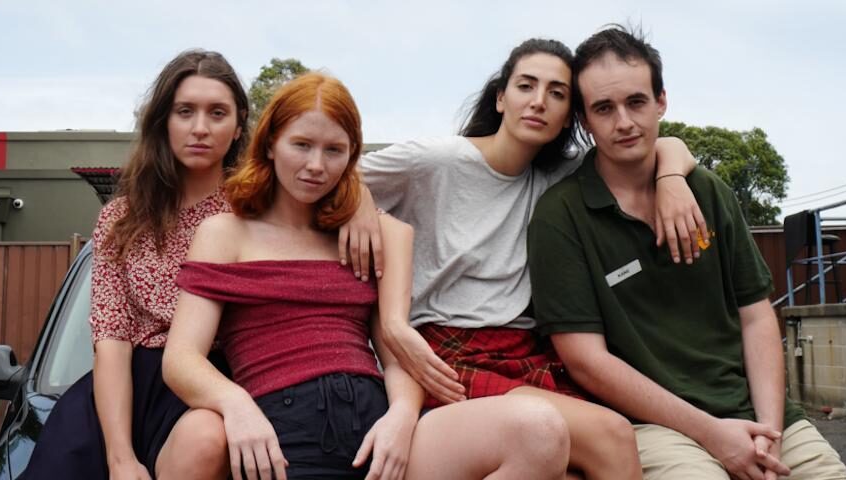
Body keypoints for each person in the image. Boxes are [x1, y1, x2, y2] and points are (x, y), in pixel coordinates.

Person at [163, 72, 574, 480]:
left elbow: (395, 354)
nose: (316, 166)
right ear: (271, 143)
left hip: (378, 433)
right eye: (301, 145)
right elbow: (182, 359)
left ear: (352, 157)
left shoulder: (361, 237)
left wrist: (401, 416)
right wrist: (236, 405)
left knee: (540, 429)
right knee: (198, 431)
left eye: (334, 150)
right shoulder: (225, 233)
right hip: (278, 434)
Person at [357, 38, 705, 479]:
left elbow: (665, 144)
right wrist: (358, 211)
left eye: (557, 93)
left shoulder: (563, 173)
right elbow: (339, 178)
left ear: (568, 118)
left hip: (526, 350)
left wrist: (672, 176)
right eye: (526, 86)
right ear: (501, 97)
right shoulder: (439, 161)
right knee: (612, 434)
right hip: (448, 351)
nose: (539, 102)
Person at [528, 26, 846, 480]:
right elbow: (586, 360)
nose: (624, 122)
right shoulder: (560, 216)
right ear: (584, 120)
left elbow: (757, 316)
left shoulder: (707, 190)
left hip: (755, 411)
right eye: (604, 108)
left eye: (636, 102)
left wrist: (769, 434)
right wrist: (714, 435)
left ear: (661, 101)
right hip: (653, 424)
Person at [19, 49, 249, 480]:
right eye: (185, 111)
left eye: (217, 112)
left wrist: (363, 210)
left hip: (214, 387)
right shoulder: (122, 217)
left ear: (238, 127)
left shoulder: (258, 214)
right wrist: (120, 456)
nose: (200, 127)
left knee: (208, 440)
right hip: (120, 393)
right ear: (164, 122)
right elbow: (111, 337)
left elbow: (338, 171)